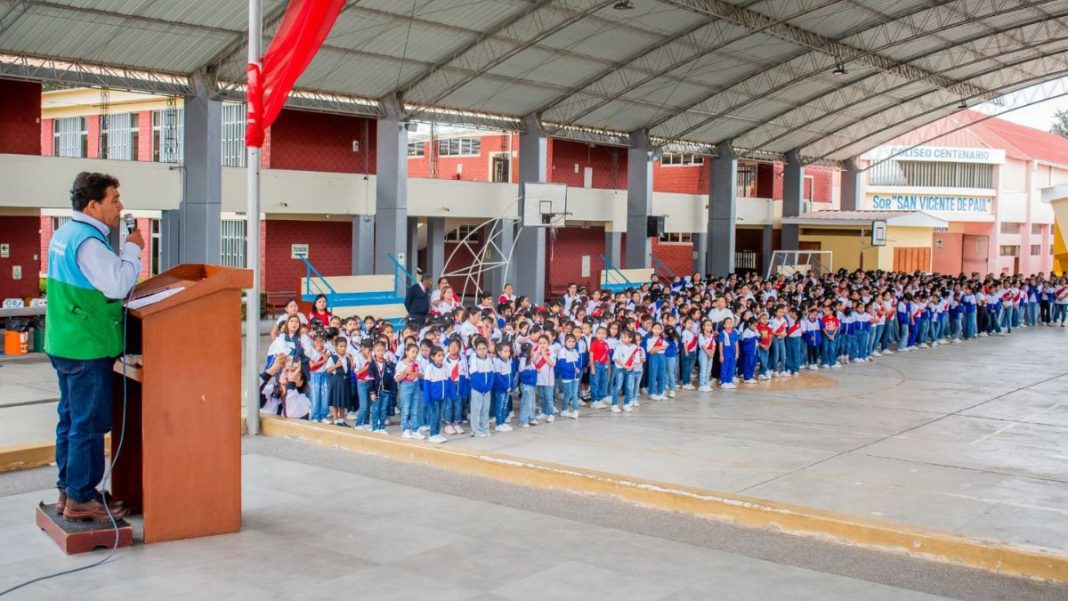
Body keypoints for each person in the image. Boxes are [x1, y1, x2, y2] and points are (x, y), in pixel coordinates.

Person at [46, 172, 142, 521]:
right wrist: (133, 250)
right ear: (92, 205)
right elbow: (117, 284)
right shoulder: (88, 242)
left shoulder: (64, 234)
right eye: (114, 199)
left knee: (70, 418)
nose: (120, 207)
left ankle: (68, 489)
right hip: (86, 346)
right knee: (88, 423)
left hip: (65, 340)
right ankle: (82, 498)